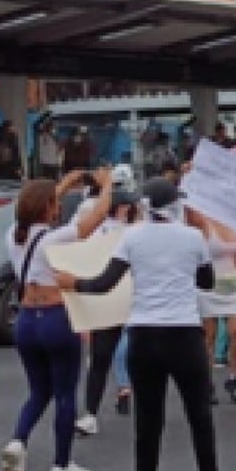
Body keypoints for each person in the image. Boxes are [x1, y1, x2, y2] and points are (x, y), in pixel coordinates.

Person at [58, 177, 234, 471]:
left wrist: (74, 283)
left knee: (148, 420)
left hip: (143, 332)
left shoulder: (132, 237)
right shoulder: (192, 237)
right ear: (174, 206)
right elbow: (206, 282)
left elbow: (106, 282)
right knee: (198, 412)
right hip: (184, 331)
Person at [0, 169, 112, 471]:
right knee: (64, 393)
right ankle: (61, 466)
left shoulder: (13, 235)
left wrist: (61, 188)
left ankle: (18, 441)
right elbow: (96, 218)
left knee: (38, 391)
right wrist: (105, 186)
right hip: (55, 318)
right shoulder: (53, 238)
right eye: (55, 204)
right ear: (48, 207)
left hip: (25, 322)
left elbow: (36, 206)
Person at [81, 175, 143, 429]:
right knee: (104, 357)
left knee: (113, 357)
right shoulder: (111, 231)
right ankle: (94, 411)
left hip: (124, 299)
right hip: (114, 299)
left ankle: (96, 411)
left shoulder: (130, 231)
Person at [197, 206, 236, 407]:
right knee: (207, 337)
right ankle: (207, 384)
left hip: (233, 286)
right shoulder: (203, 221)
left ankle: (234, 378)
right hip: (208, 286)